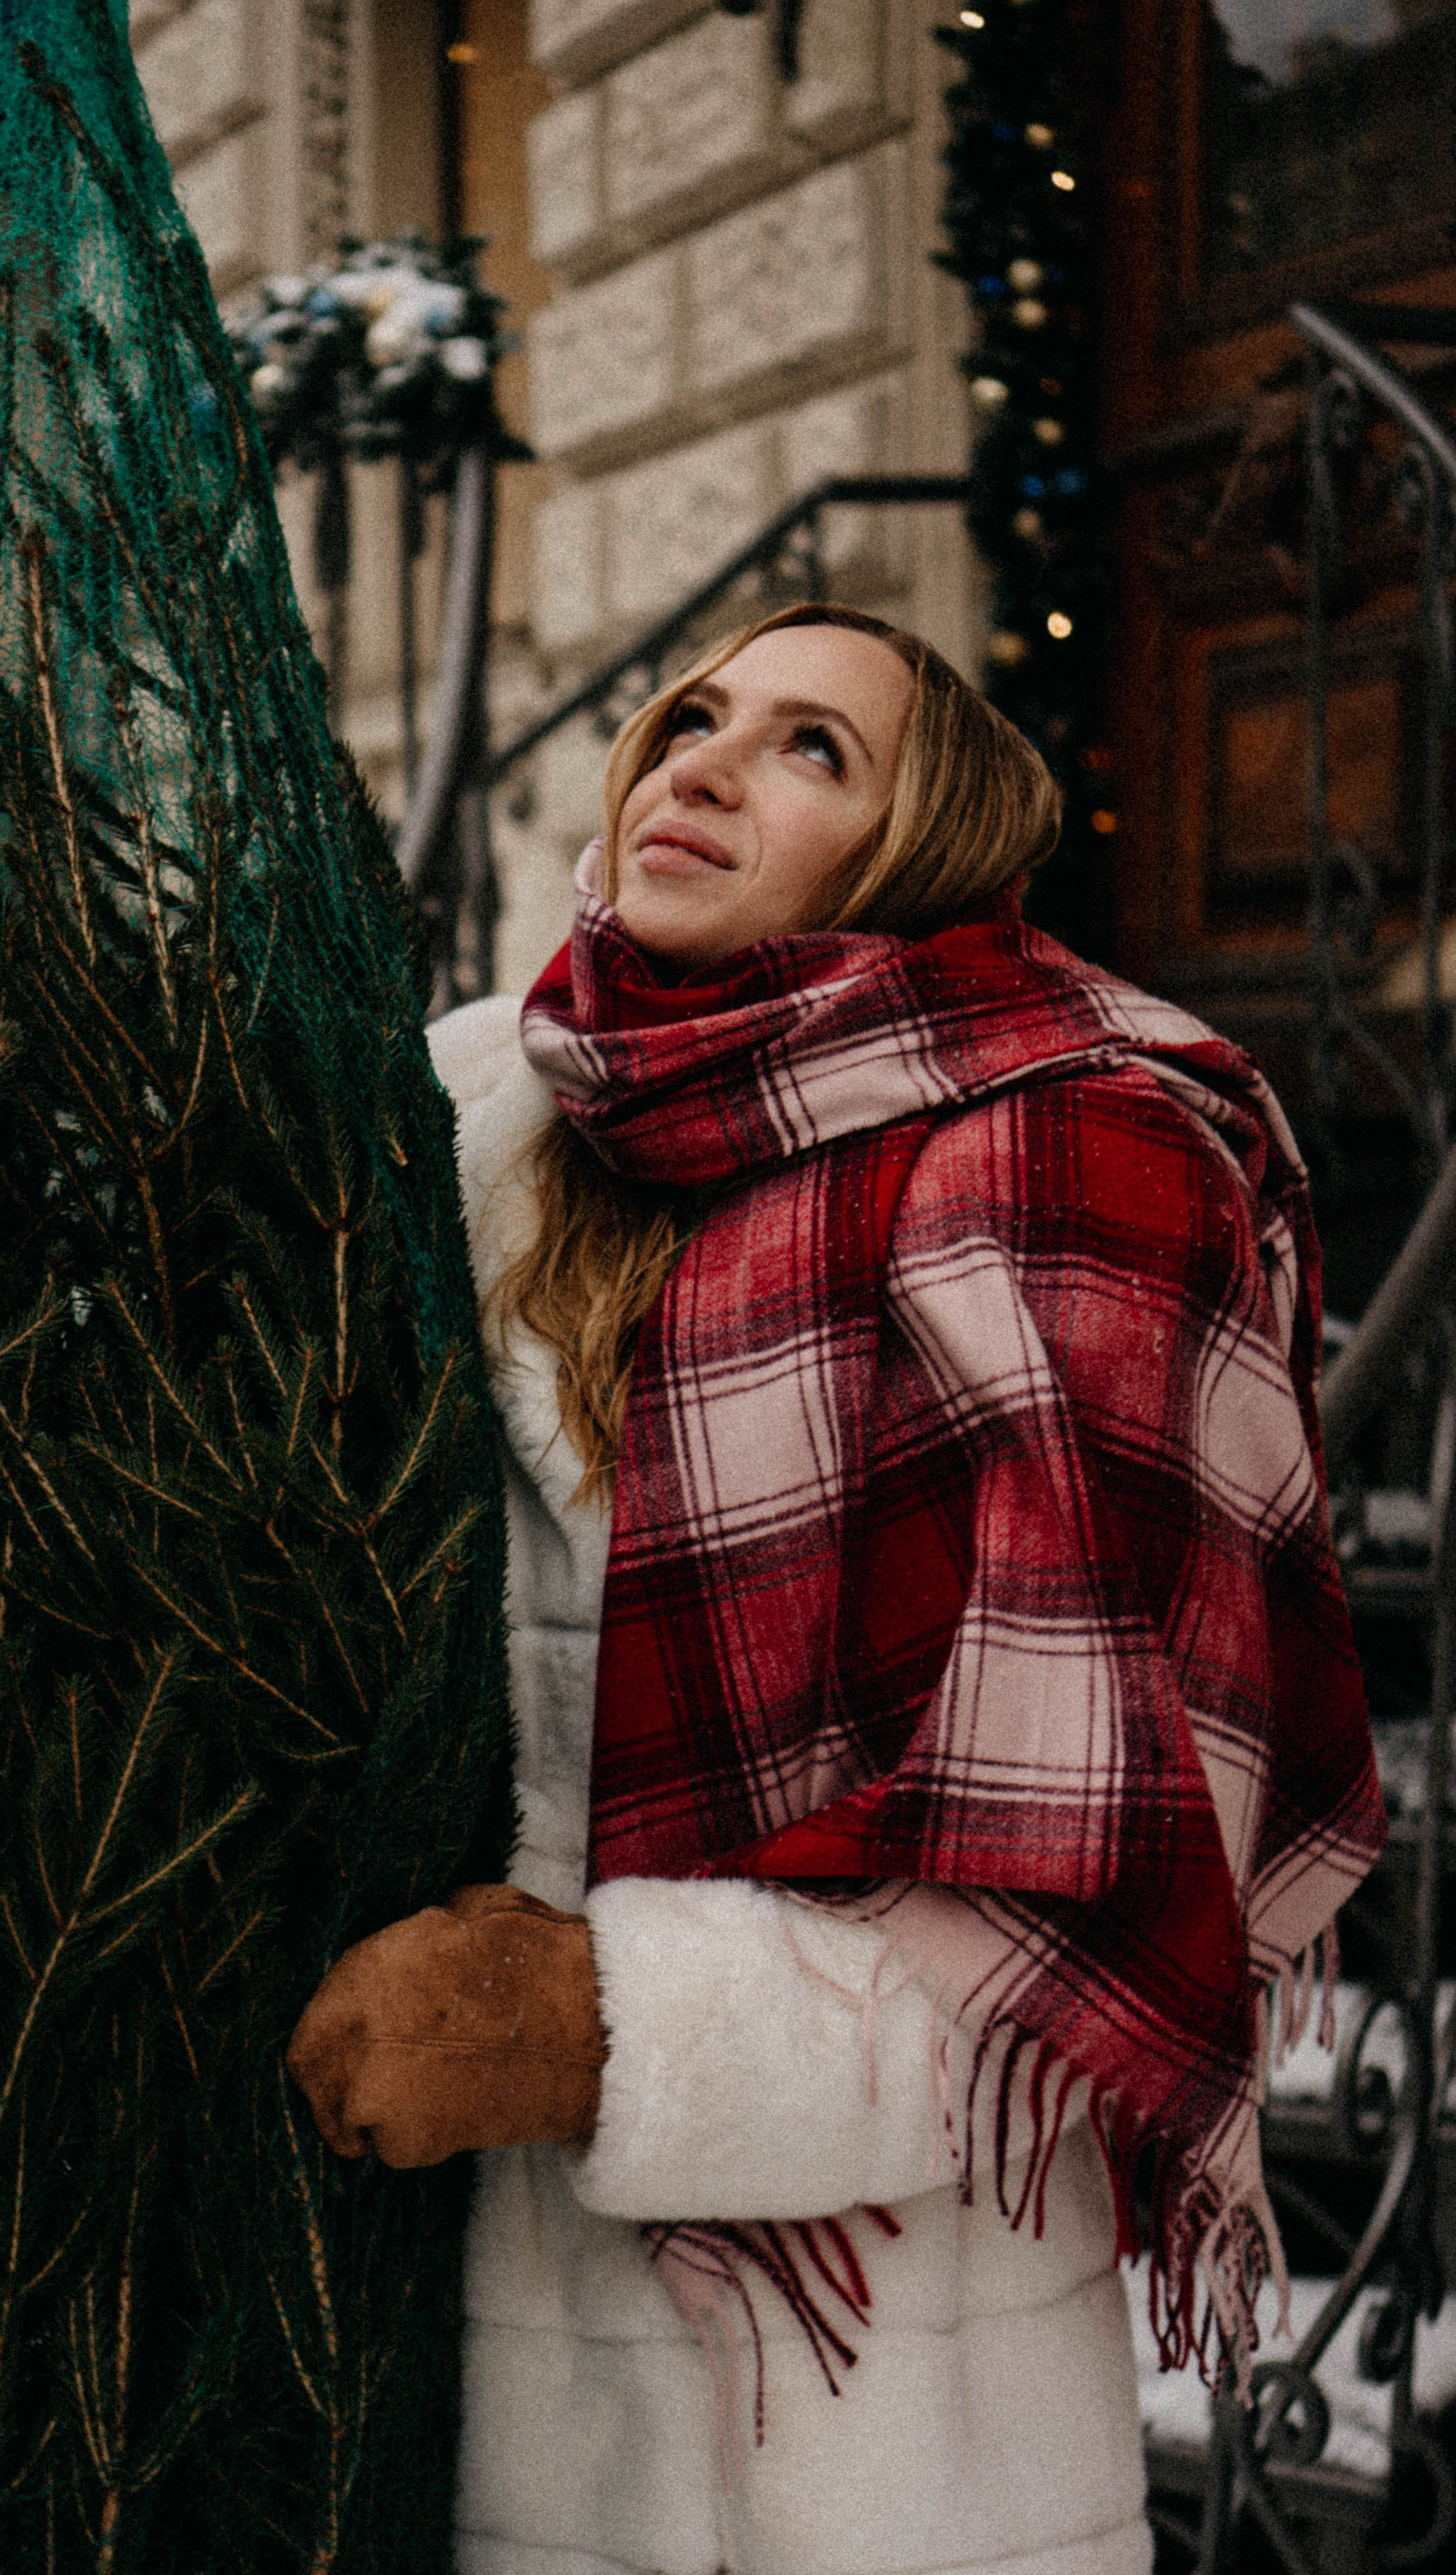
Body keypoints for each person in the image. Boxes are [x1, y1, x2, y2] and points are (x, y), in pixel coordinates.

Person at [288, 605, 1386, 2575]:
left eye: (814, 751)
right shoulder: (472, 1119)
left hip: (894, 2402)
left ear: (924, 861)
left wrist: (604, 2029)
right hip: (458, 2317)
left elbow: (1086, 1902)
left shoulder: (1079, 1165)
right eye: (692, 715)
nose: (700, 764)